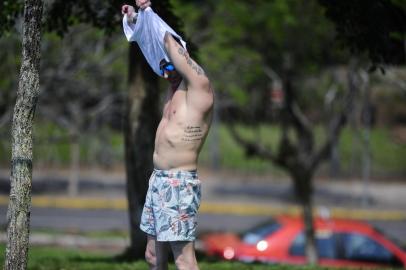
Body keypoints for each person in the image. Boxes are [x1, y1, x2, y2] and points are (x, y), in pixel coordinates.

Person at [121, 1, 214, 269]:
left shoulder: (201, 89)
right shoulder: (173, 93)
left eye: (170, 65)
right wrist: (136, 20)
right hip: (158, 180)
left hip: (179, 184)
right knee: (152, 257)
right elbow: (160, 50)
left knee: (184, 260)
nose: (165, 69)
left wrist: (150, 14)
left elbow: (173, 48)